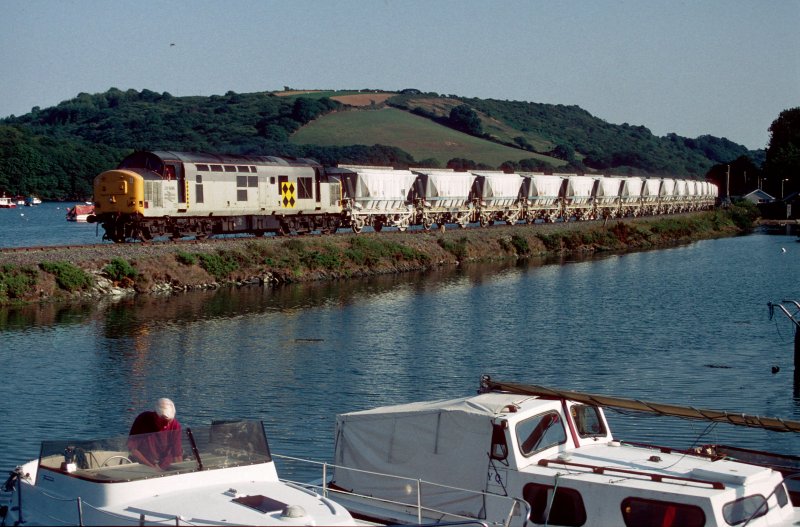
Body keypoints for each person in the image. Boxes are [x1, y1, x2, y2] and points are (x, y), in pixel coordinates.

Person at [127, 398, 183, 470]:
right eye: (164, 421)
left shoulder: (175, 425)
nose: (167, 425)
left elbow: (177, 454)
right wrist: (151, 467)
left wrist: (180, 471)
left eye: (170, 421)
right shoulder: (143, 419)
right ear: (155, 415)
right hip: (143, 465)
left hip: (165, 466)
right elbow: (132, 449)